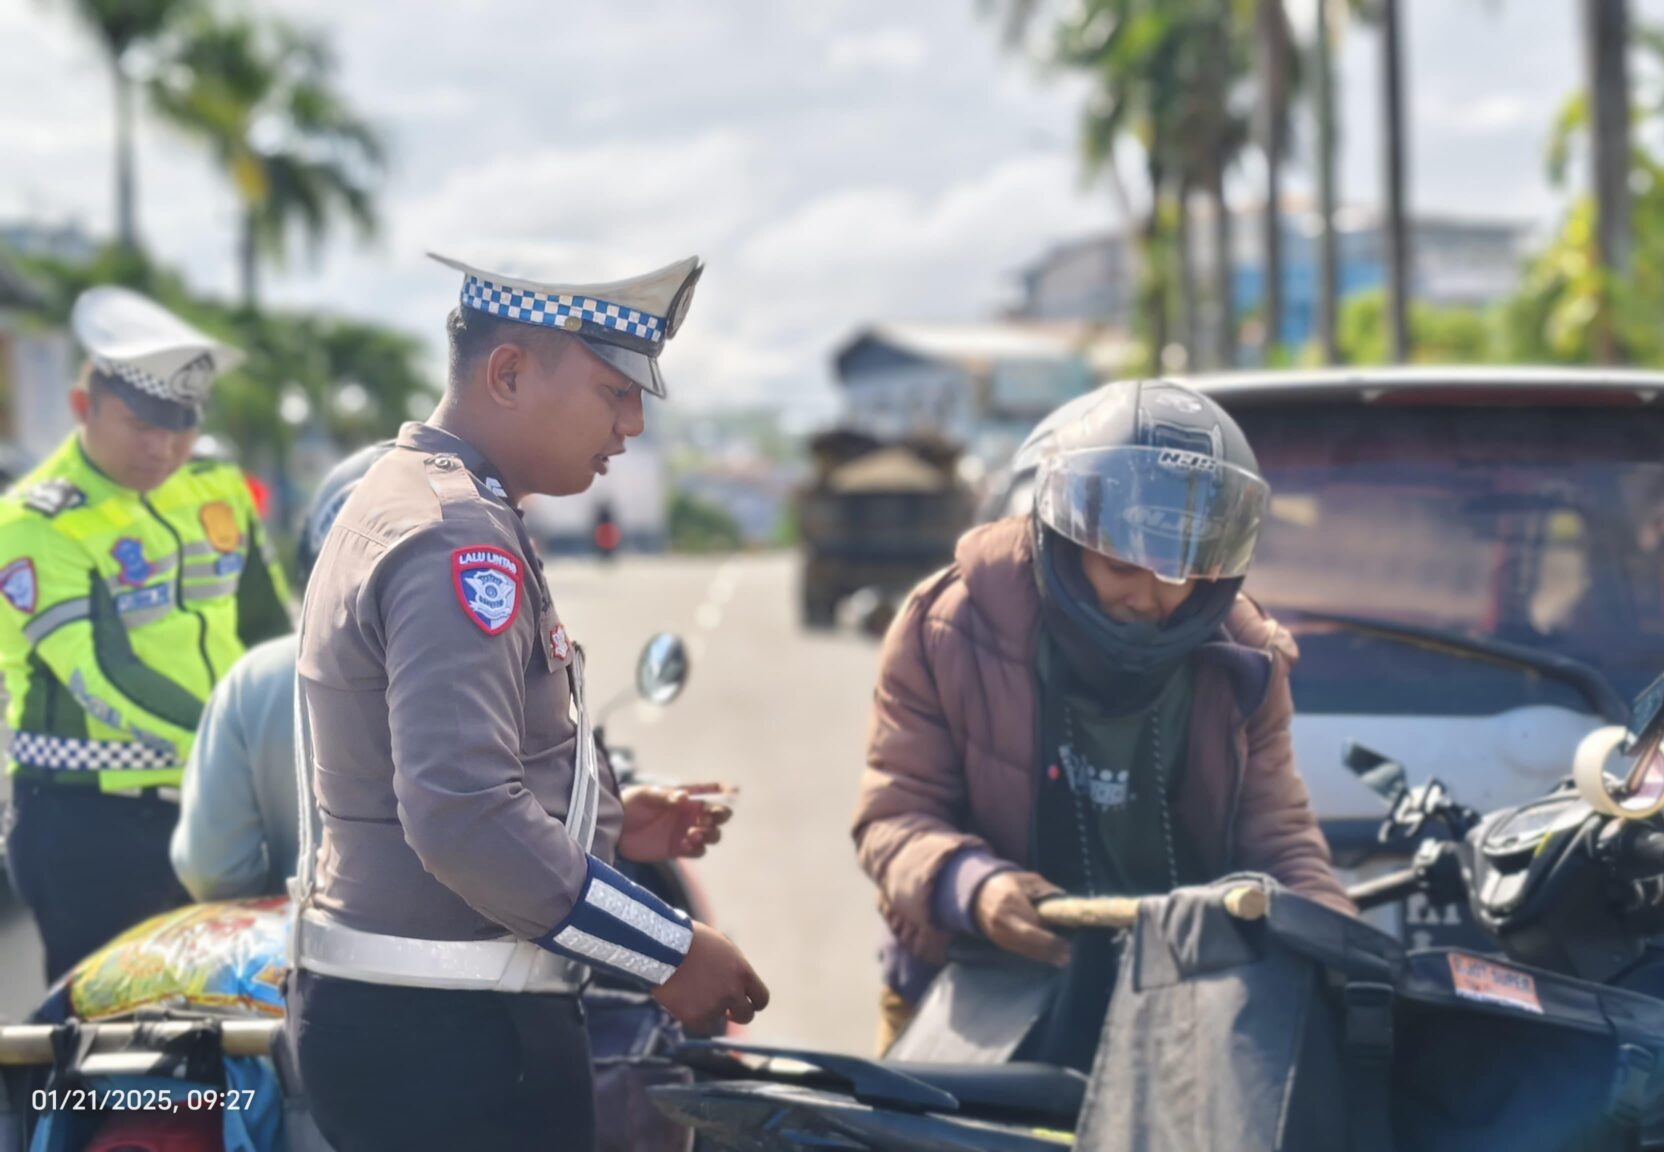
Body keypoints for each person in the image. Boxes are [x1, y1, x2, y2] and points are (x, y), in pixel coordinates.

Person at [288, 251, 768, 1152]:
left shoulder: (432, 501)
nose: (632, 423)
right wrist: (666, 948)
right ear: (508, 372)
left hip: (425, 1018)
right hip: (450, 1035)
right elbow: (465, 816)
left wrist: (609, 827)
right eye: (612, 391)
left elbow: (449, 765)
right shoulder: (453, 534)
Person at [851, 379, 1351, 1055]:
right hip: (964, 995)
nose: (1154, 597)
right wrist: (975, 887)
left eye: (1185, 570)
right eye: (1123, 565)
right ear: (1064, 533)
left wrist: (1339, 958)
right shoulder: (946, 623)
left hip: (1175, 1011)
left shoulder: (1248, 656)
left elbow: (1281, 841)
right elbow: (893, 820)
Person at [0, 286, 290, 982]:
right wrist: (243, 751)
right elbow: (105, 676)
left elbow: (270, 636)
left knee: (232, 1020)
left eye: (181, 425)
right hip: (88, 821)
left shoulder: (216, 488)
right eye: (139, 424)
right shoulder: (35, 521)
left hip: (217, 809)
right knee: (111, 1050)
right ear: (82, 409)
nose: (163, 447)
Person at [169, 441, 393, 902]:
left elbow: (212, 867)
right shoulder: (510, 669)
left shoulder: (255, 681)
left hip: (310, 954)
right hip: (490, 966)